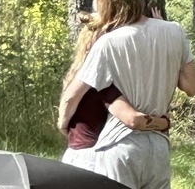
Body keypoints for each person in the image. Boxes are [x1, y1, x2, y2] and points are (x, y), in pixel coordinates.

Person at [57, 0, 195, 189]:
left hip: (119, 145)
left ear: (105, 5)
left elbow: (73, 95)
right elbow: (191, 86)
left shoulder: (108, 43)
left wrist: (62, 122)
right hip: (157, 145)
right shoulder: (174, 31)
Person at [60, 10, 170, 174]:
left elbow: (67, 111)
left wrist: (63, 123)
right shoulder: (103, 79)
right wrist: (164, 123)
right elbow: (132, 119)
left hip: (75, 154)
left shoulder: (81, 72)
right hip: (93, 159)